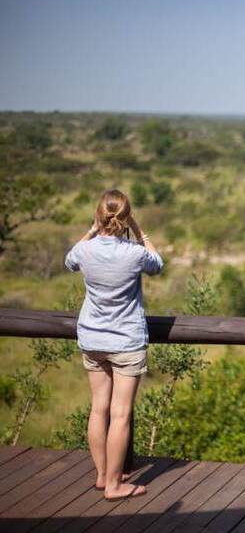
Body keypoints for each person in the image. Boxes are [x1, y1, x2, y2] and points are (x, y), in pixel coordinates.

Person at [64, 189, 163, 501]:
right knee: (120, 414)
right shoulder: (134, 253)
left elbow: (69, 260)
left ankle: (102, 474)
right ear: (125, 218)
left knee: (99, 409)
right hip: (125, 341)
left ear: (99, 216)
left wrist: (92, 230)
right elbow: (157, 264)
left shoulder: (85, 250)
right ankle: (114, 486)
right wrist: (139, 231)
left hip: (92, 338)